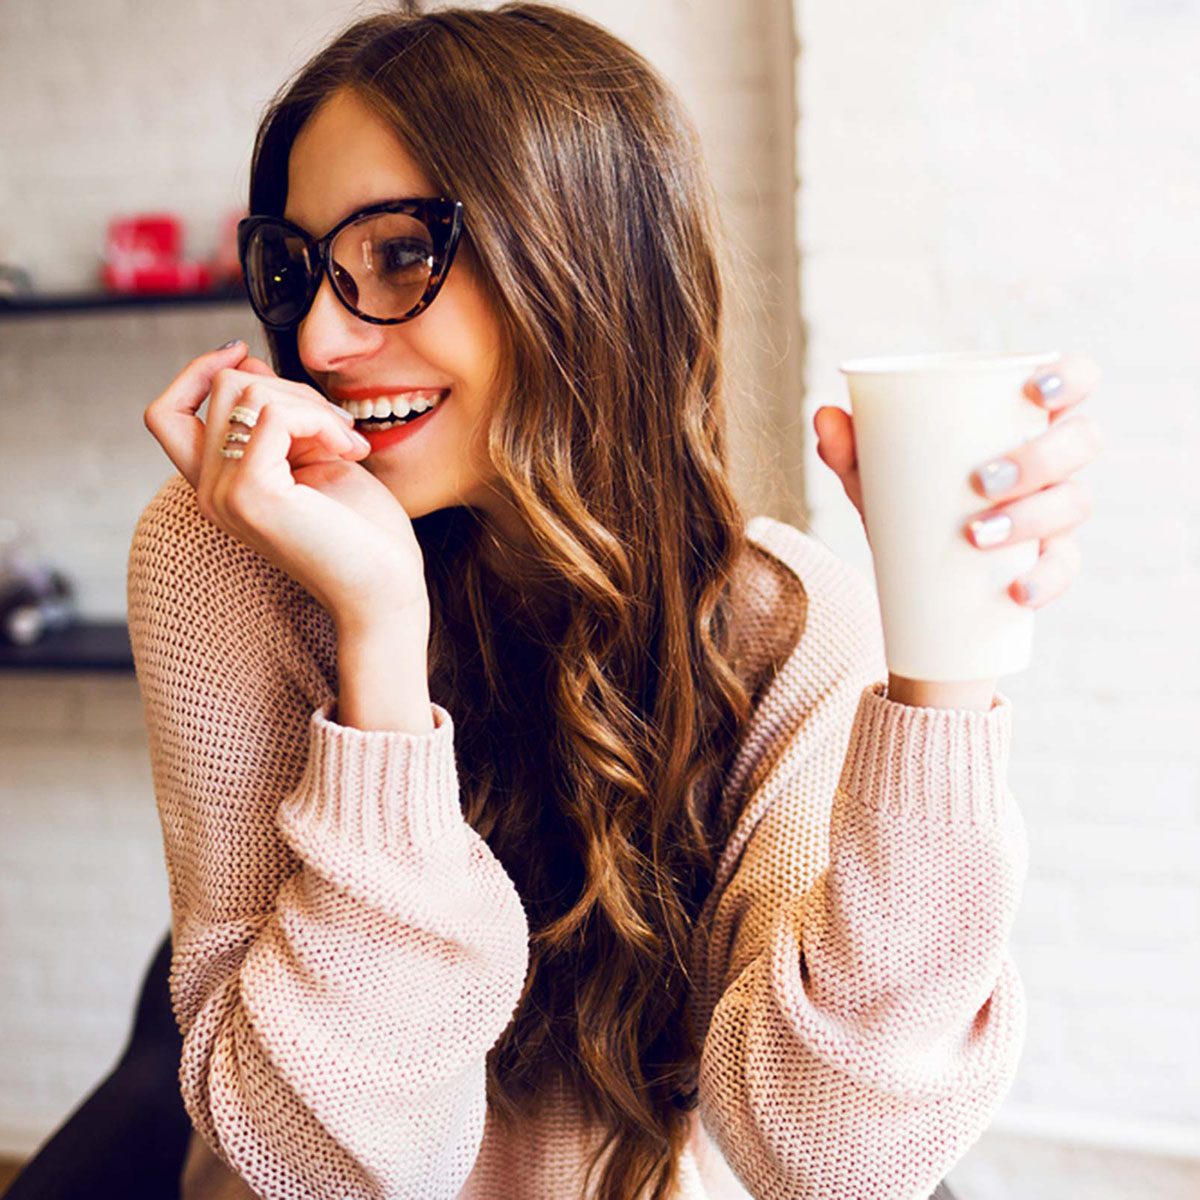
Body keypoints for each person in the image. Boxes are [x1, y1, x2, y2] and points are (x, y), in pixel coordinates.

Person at [127, 4, 1104, 1199]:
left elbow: (831, 1157)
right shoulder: (231, 556)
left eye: (400, 254)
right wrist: (378, 637)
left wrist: (946, 644)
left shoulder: (780, 627)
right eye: (297, 267)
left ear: (589, 265)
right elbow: (330, 1167)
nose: (321, 339)